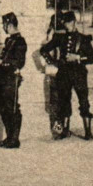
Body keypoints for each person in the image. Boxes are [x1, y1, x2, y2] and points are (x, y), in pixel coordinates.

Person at [40, 11, 93, 140]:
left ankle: (88, 131)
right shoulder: (60, 38)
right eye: (65, 23)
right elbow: (44, 50)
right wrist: (54, 63)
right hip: (64, 74)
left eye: (69, 22)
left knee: (84, 101)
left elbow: (92, 58)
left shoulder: (83, 39)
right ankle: (65, 130)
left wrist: (78, 57)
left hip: (79, 74)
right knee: (64, 101)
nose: (67, 25)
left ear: (74, 22)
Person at [0, 13, 27, 149]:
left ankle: (14, 139)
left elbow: (19, 62)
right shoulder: (9, 40)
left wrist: (1, 62)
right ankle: (9, 137)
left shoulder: (20, 41)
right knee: (2, 106)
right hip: (3, 78)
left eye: (4, 25)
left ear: (10, 25)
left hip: (11, 78)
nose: (3, 28)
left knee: (12, 108)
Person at [39, 11, 66, 139]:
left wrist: (52, 63)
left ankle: (58, 130)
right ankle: (60, 130)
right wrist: (55, 62)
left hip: (54, 72)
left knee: (56, 102)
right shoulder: (58, 36)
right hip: (60, 71)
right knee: (60, 102)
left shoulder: (51, 36)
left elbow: (43, 51)